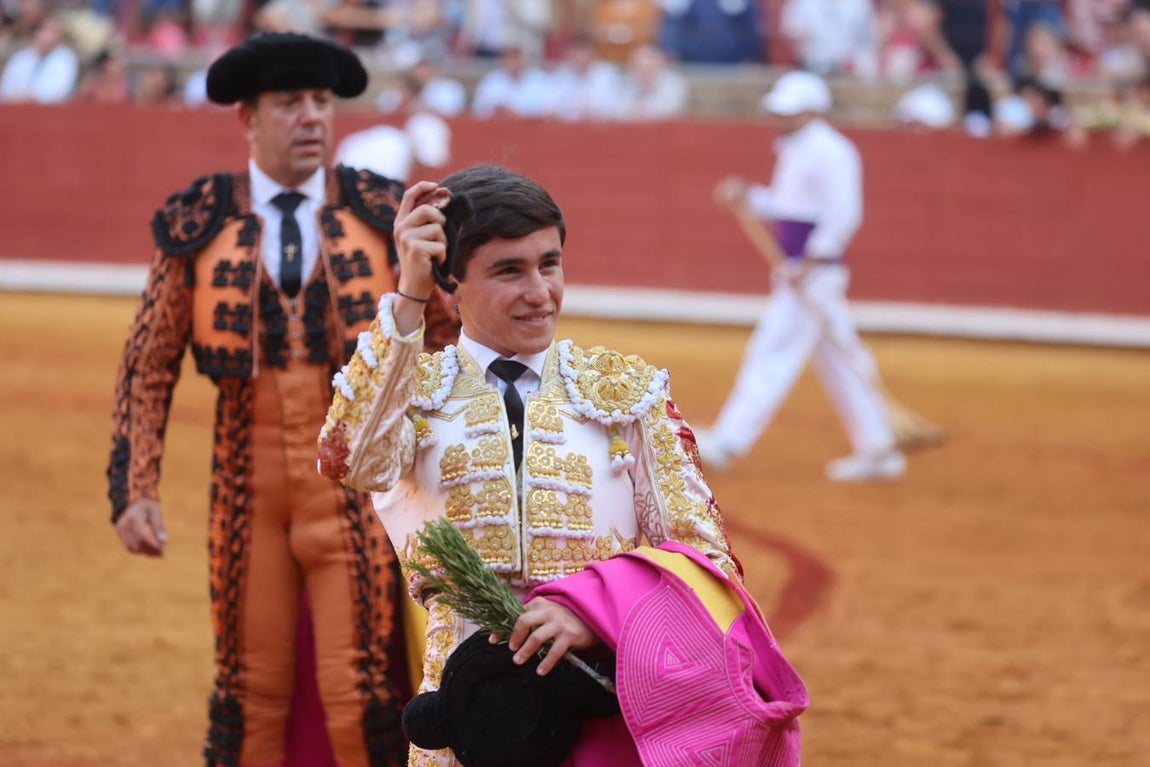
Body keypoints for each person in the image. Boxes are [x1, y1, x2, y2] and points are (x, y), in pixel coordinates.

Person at [317, 165, 779, 765]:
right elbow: (352, 459)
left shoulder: (625, 394)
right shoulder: (414, 393)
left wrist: (592, 610)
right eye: (509, 270)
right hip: (464, 713)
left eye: (549, 264)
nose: (539, 292)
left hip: (601, 706)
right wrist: (407, 293)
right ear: (450, 282)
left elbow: (709, 566)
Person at [106, 31, 458, 767]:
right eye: (290, 103)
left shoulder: (380, 211)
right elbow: (149, 361)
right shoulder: (198, 221)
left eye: (322, 102)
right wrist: (134, 487)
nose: (311, 117)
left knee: (361, 685)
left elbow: (453, 344)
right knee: (246, 690)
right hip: (244, 489)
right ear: (249, 119)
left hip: (357, 494)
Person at [694, 71, 907, 483]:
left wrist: (812, 258)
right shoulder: (798, 148)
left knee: (772, 351)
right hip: (804, 270)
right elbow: (788, 207)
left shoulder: (831, 150)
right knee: (841, 360)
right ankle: (880, 446)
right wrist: (750, 196)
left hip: (812, 272)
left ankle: (728, 441)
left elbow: (845, 214)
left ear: (813, 110)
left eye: (789, 111)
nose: (781, 117)